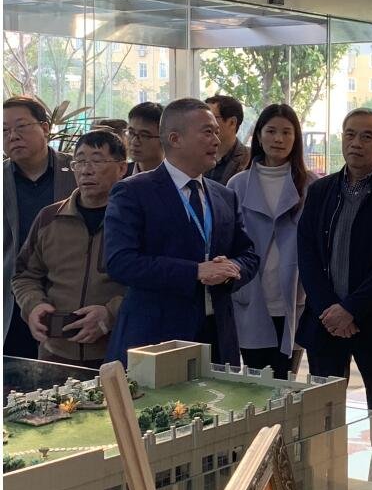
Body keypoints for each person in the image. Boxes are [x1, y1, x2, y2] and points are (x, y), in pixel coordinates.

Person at [297, 107, 372, 487]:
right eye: (350, 134)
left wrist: (351, 309)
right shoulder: (320, 191)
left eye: (367, 136)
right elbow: (307, 254)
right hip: (325, 324)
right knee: (322, 412)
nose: (356, 143)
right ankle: (325, 487)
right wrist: (329, 309)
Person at [104, 97, 259, 365]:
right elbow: (121, 262)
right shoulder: (133, 192)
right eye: (207, 132)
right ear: (175, 139)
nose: (216, 140)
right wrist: (195, 271)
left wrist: (232, 268)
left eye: (217, 132)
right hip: (157, 337)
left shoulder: (224, 196)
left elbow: (249, 254)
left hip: (218, 337)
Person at [12, 131, 128, 368]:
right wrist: (34, 305)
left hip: (117, 353)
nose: (86, 170)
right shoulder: (50, 218)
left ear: (122, 168)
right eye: (80, 162)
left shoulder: (134, 220)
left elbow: (151, 283)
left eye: (97, 161)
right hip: (55, 355)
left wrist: (110, 314)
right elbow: (24, 275)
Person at [227, 104, 317, 379]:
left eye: (287, 132)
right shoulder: (237, 185)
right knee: (255, 382)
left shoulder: (311, 185)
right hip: (251, 297)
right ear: (259, 135)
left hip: (294, 298)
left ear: (296, 138)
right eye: (271, 131)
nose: (279, 139)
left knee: (286, 382)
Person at [3, 96, 76, 358]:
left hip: (69, 296)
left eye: (21, 126)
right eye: (4, 130)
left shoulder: (78, 171)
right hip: (11, 299)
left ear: (45, 128)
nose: (13, 136)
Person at [204, 94, 250, 185]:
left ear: (232, 123)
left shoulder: (249, 161)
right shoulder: (197, 156)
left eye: (211, 118)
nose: (204, 124)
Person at [125, 102, 165, 176]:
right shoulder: (120, 174)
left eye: (144, 135)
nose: (134, 142)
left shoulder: (178, 178)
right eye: (131, 133)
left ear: (164, 139)